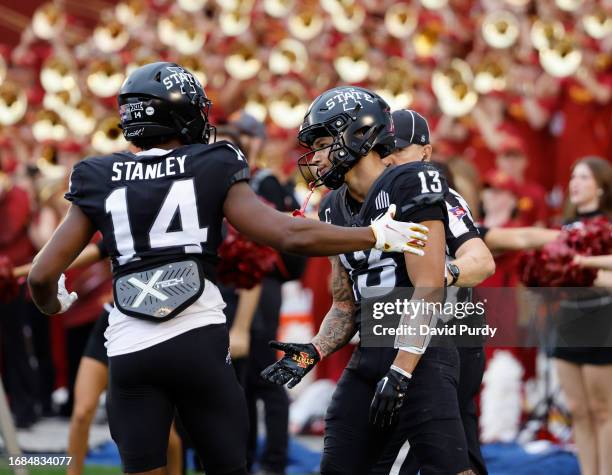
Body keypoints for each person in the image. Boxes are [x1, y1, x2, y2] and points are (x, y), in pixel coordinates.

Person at [26, 63, 429, 475]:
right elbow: (284, 234)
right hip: (196, 340)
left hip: (129, 347)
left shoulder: (97, 174)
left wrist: (52, 304)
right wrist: (372, 235)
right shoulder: (211, 161)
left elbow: (41, 275)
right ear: (182, 113)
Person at [262, 87, 473, 475]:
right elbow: (344, 305)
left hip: (422, 354)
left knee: (449, 469)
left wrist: (403, 370)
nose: (317, 156)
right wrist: (314, 351)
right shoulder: (332, 206)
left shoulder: (410, 180)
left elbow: (428, 289)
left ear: (359, 135)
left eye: (324, 143)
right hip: (370, 352)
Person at [382, 109, 494, 475]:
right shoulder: (372, 194)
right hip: (395, 333)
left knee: (444, 453)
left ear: (426, 153)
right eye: (383, 149)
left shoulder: (440, 197)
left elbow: (482, 261)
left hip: (450, 333)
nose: (390, 157)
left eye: (399, 148)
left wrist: (440, 274)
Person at [552, 157, 612, 475]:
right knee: (577, 409)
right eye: (573, 176)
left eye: (584, 177)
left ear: (601, 187)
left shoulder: (608, 227)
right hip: (568, 320)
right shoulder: (563, 229)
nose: (574, 183)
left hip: (601, 319)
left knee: (603, 410)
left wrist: (581, 267)